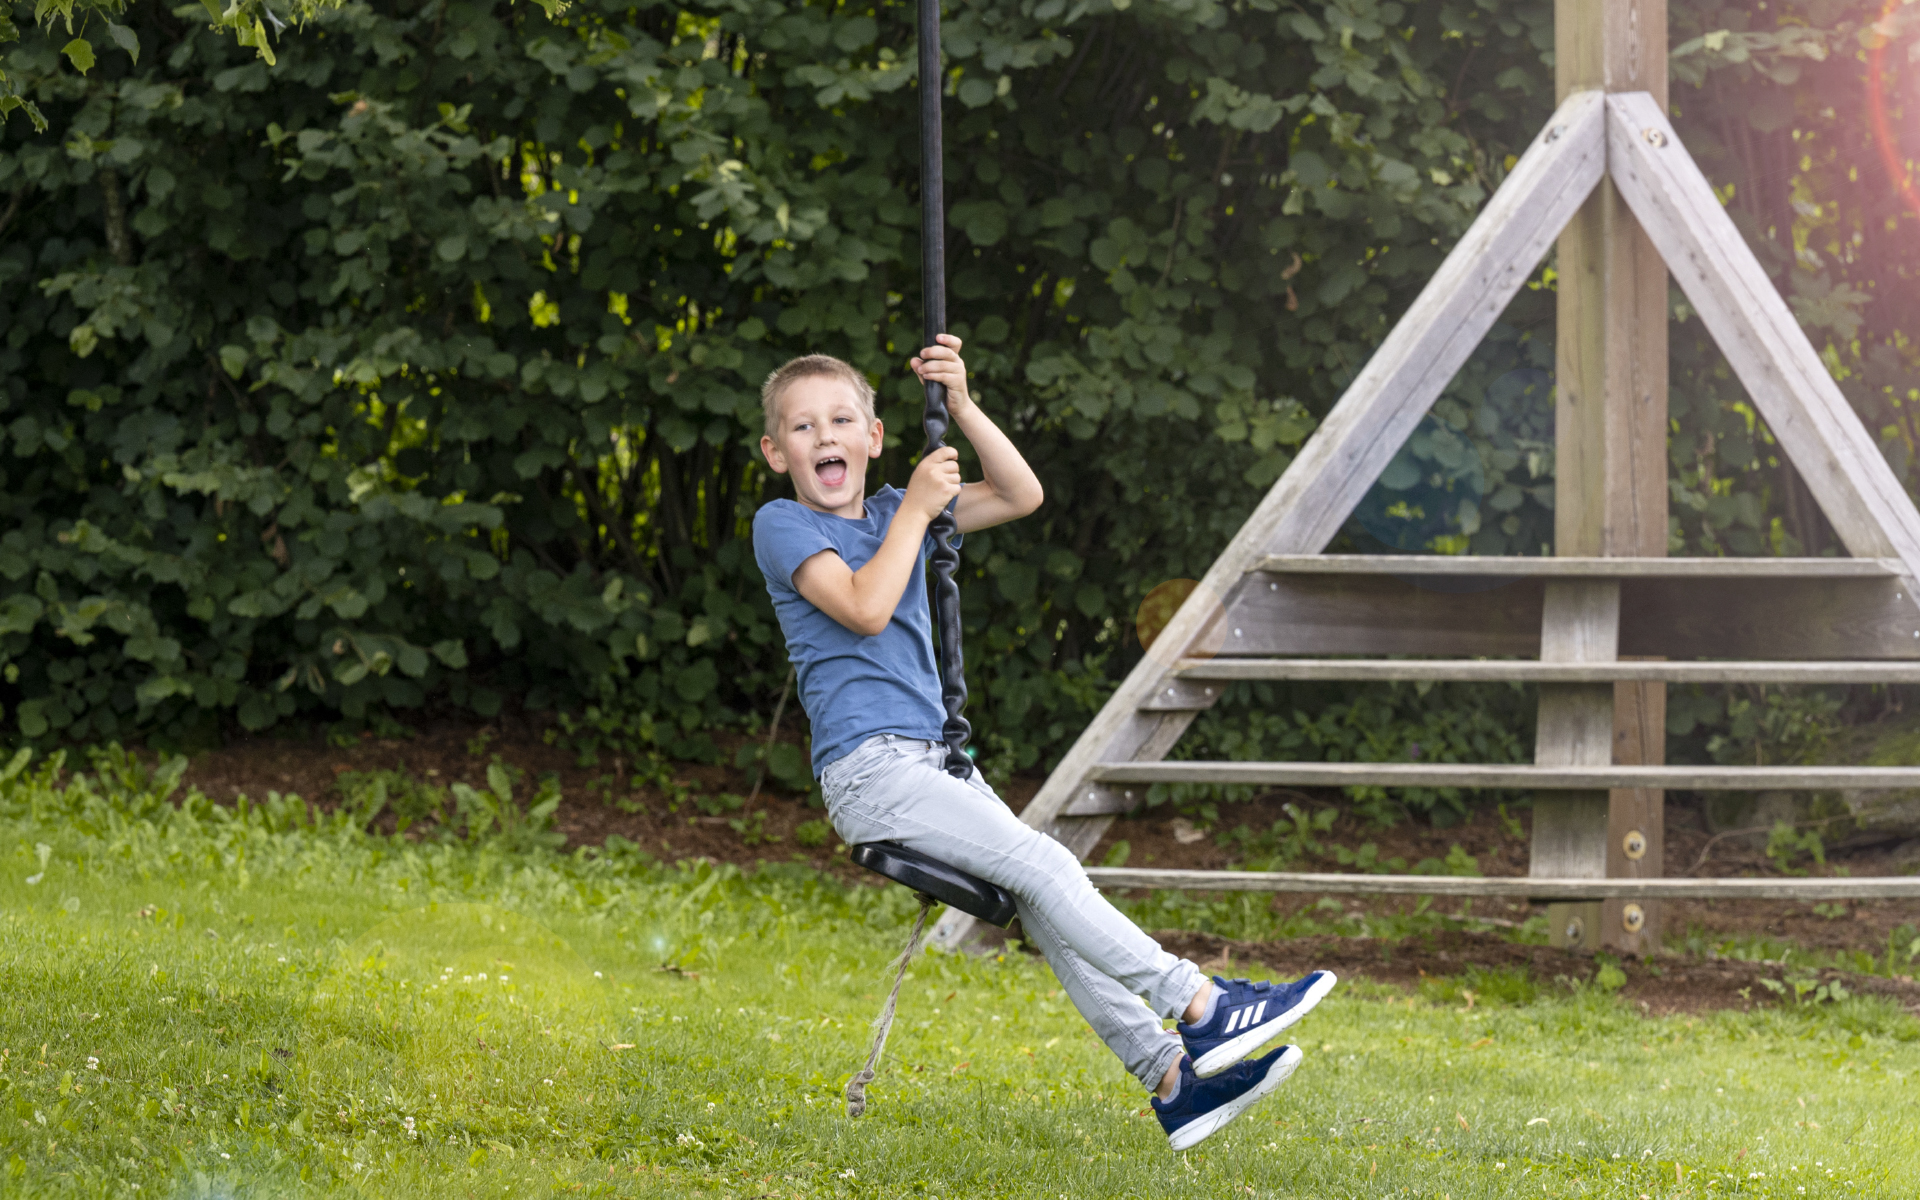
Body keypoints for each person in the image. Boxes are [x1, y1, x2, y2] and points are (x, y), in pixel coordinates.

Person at [750, 336, 1336, 1150]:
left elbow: (1020, 493)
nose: (825, 436)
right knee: (1047, 865)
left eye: (842, 419)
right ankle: (1201, 1004)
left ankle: (1174, 1081)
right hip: (870, 770)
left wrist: (961, 406)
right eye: (804, 426)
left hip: (935, 761)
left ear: (874, 437)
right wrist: (916, 509)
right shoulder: (782, 525)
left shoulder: (892, 511)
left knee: (1041, 897)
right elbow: (864, 607)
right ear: (777, 452)